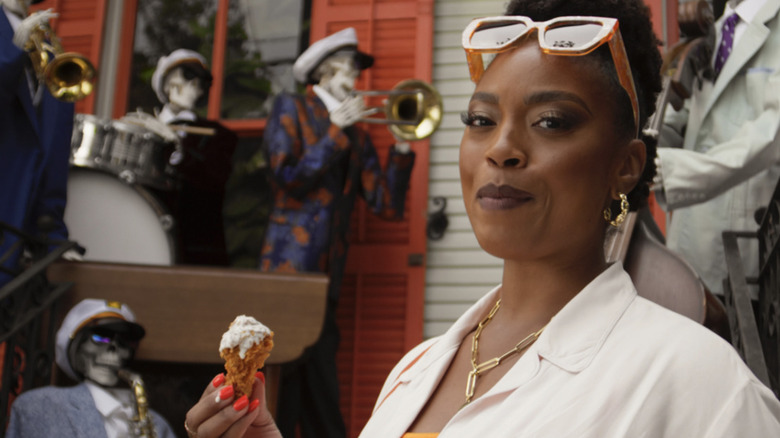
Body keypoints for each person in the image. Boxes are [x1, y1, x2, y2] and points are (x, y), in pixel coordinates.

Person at [183, 0, 780, 436]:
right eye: (479, 121)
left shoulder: (704, 386)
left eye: (551, 121)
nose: (501, 149)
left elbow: (384, 200)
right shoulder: (412, 370)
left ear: (626, 166)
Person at [258, 26, 416, 438]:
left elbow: (385, 205)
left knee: (312, 370)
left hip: (329, 275)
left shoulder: (358, 133)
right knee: (295, 369)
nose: (355, 78)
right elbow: (285, 178)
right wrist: (334, 130)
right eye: (348, 68)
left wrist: (400, 148)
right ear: (324, 73)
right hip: (288, 267)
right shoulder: (290, 107)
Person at [655, 0, 780, 298]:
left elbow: (770, 137)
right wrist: (647, 143)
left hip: (746, 247)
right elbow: (687, 116)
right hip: (689, 236)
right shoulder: (718, 27)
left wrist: (663, 168)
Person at [6, 298, 176, 437]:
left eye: (124, 342)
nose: (113, 349)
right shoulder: (40, 406)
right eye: (101, 337)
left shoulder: (157, 425)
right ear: (76, 348)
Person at [0, 0, 77, 287]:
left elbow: (53, 143)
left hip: (23, 211)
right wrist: (15, 51)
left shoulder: (43, 41)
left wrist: (52, 231)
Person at [150, 48, 239, 266]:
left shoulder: (220, 136)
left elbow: (215, 179)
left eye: (199, 84)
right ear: (167, 85)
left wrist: (180, 152)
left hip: (196, 246)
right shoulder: (142, 128)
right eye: (187, 78)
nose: (194, 89)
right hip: (146, 234)